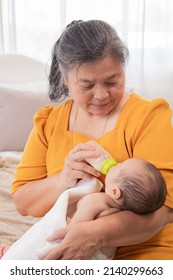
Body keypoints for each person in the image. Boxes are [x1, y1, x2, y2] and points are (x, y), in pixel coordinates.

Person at [10, 19, 173, 260]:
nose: (102, 95)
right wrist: (62, 179)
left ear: (123, 71)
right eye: (86, 85)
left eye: (112, 81)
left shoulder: (147, 117)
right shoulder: (49, 123)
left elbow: (165, 210)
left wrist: (93, 234)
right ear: (65, 79)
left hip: (144, 249)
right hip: (68, 248)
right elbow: (23, 202)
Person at [0, 158, 166, 259]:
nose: (116, 164)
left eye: (120, 166)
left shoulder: (95, 201)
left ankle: (16, 256)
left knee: (35, 243)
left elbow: (72, 234)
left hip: (74, 254)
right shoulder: (123, 212)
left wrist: (22, 252)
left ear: (115, 191)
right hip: (102, 259)